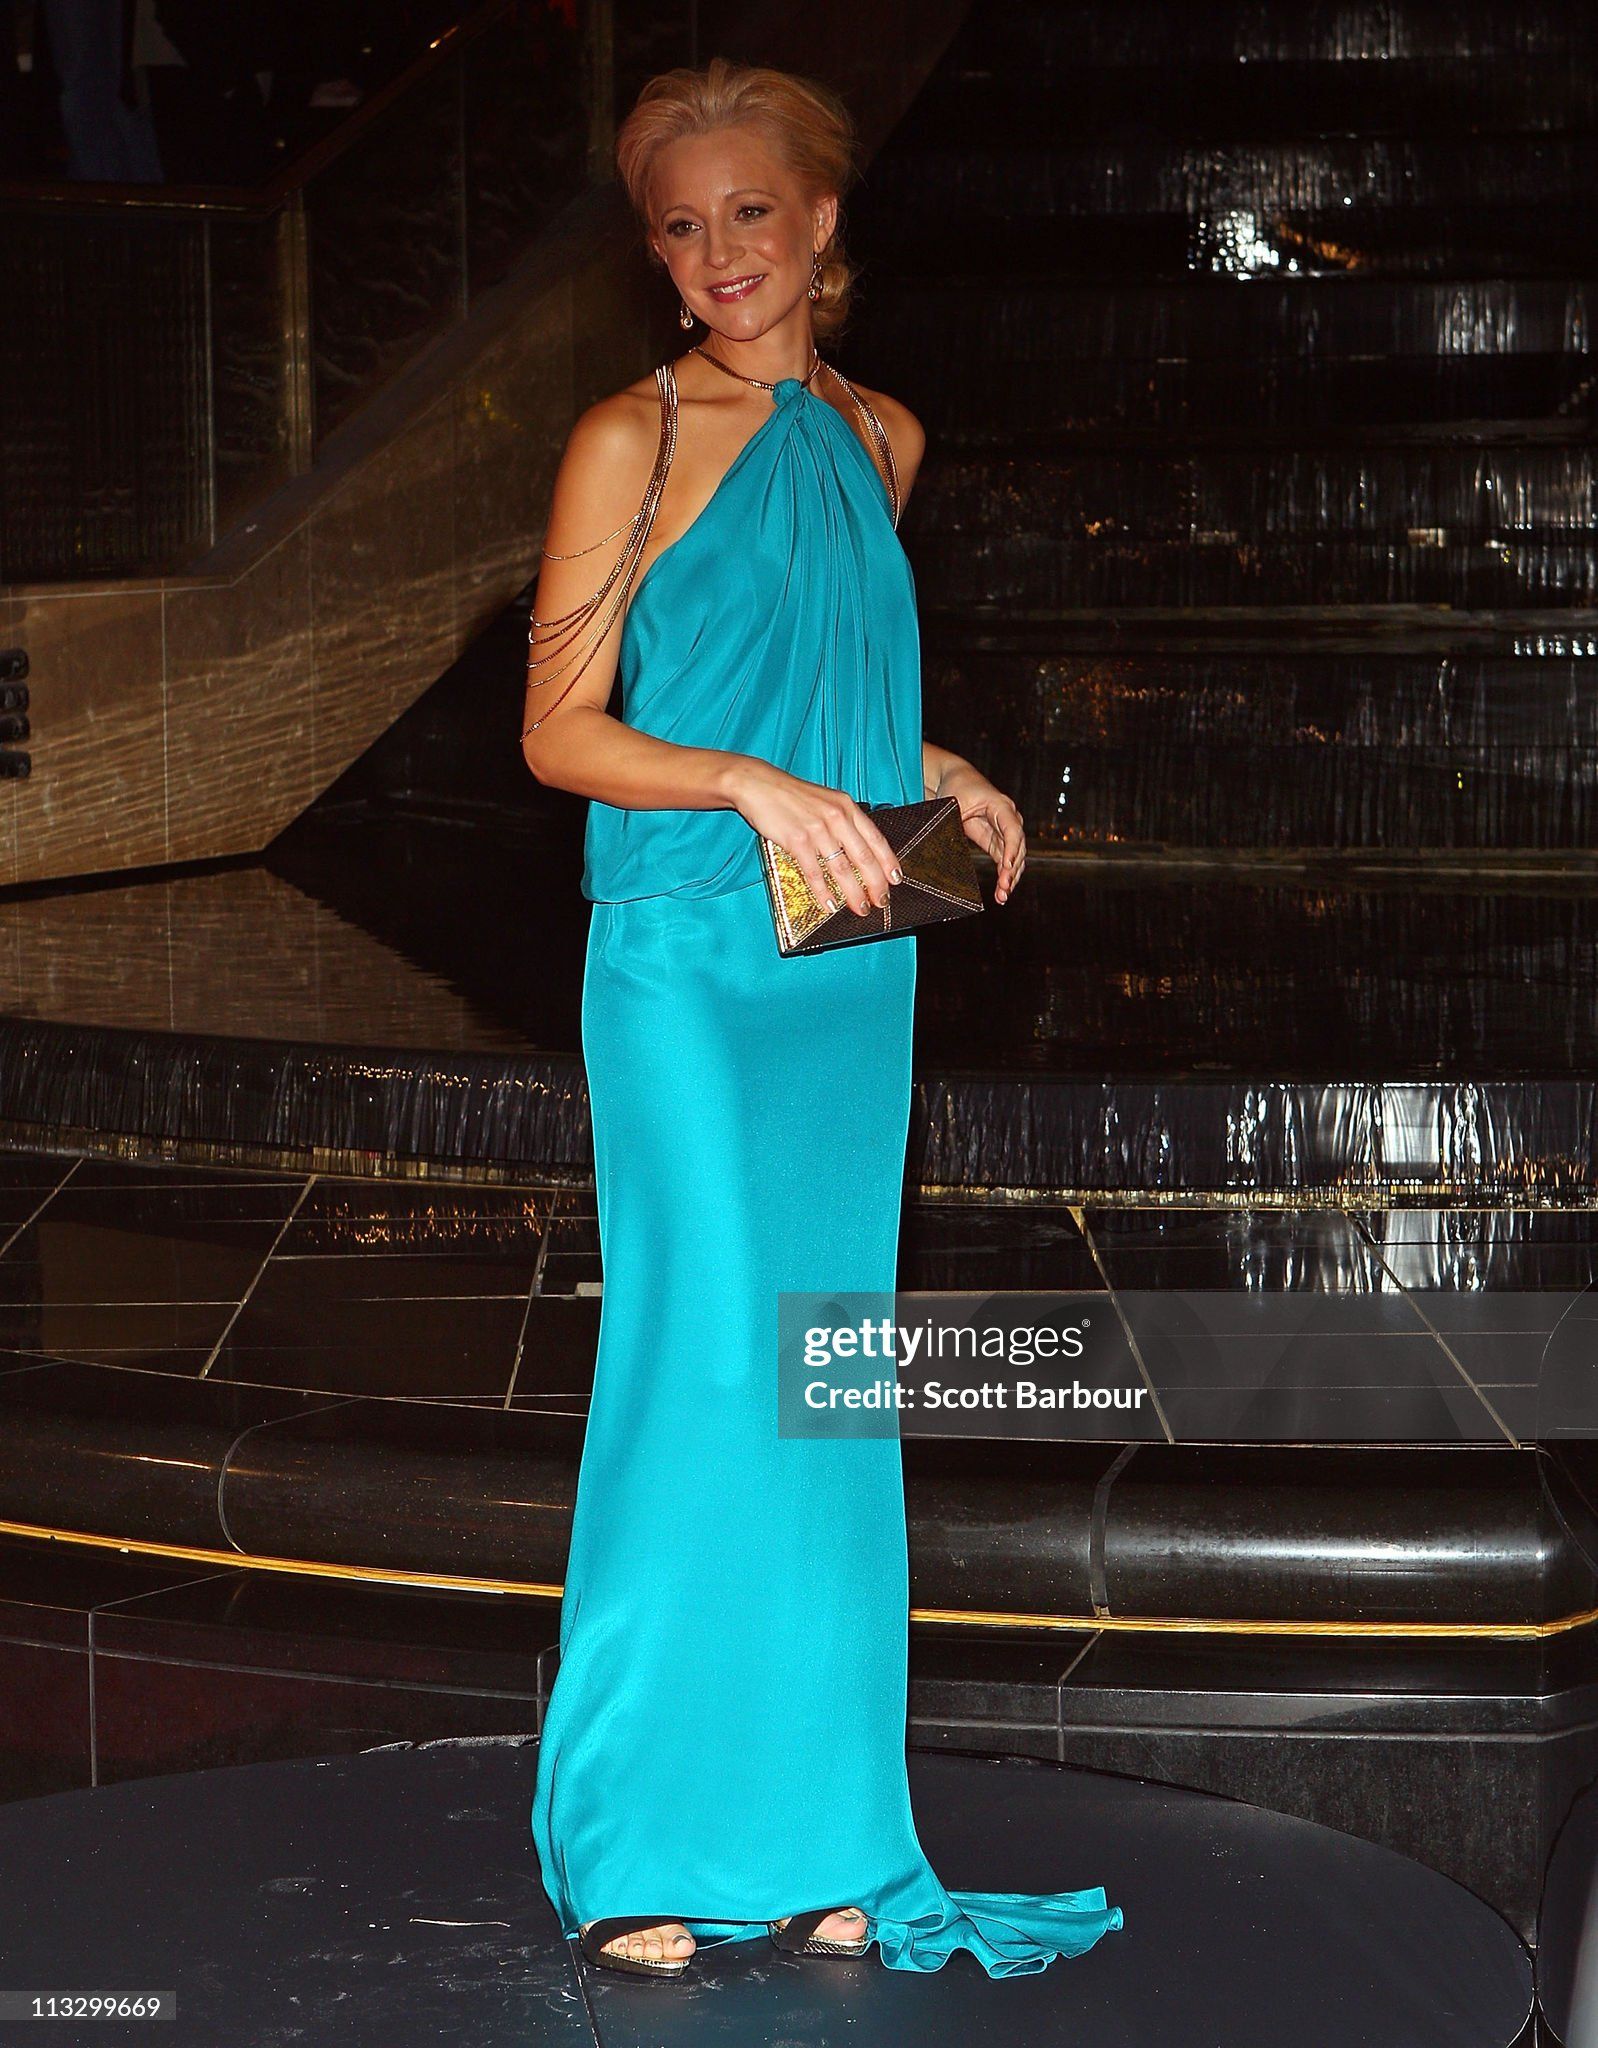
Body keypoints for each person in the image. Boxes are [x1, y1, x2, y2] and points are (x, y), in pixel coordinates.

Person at [521, 55, 1122, 1981]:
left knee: (824, 1388)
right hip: (684, 967)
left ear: (824, 220)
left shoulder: (880, 438)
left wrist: (944, 771)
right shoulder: (626, 438)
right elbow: (561, 733)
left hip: (849, 961)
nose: (719, 254)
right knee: (703, 1368)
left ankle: (819, 1837)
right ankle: (636, 1838)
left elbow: (827, 699)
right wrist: (746, 784)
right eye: (680, 226)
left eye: (750, 213)